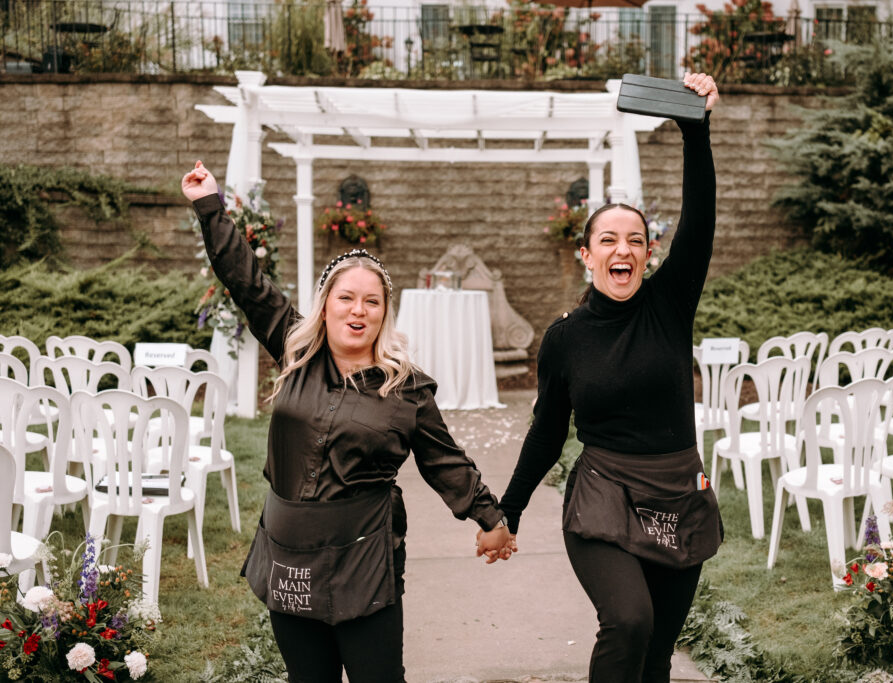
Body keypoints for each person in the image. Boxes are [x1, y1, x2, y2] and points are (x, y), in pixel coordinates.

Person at [180, 163, 512, 683]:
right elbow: (244, 279)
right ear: (325, 305)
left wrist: (490, 519)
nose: (358, 310)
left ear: (384, 313)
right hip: (288, 550)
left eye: (372, 301)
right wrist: (209, 207)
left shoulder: (407, 389)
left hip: (363, 557)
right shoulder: (294, 347)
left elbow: (443, 459)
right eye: (346, 298)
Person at [495, 72, 724, 683]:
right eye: (608, 240)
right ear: (587, 254)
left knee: (655, 656)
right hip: (603, 499)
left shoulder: (669, 306)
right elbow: (548, 431)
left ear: (648, 254)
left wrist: (694, 129)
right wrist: (507, 513)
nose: (622, 249)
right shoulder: (566, 338)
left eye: (635, 240)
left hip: (678, 493)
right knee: (628, 622)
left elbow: (700, 218)